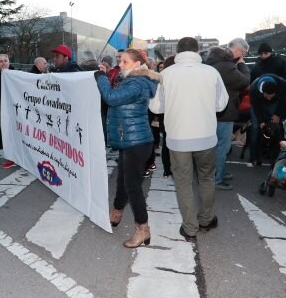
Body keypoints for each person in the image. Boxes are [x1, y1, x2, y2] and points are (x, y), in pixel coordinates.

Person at [150, 37, 229, 242]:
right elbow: (221, 104)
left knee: (183, 183)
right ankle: (206, 219)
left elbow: (156, 107)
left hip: (178, 138)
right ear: (197, 51)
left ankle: (190, 228)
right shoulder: (211, 72)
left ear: (177, 52)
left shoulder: (166, 74)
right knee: (206, 178)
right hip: (206, 137)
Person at [95, 48, 161, 248]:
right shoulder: (132, 80)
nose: (120, 65)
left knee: (132, 186)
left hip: (136, 141)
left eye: (124, 61)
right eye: (119, 61)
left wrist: (102, 77)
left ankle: (143, 229)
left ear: (136, 63)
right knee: (123, 179)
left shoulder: (138, 82)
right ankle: (116, 212)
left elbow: (112, 98)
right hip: (130, 139)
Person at [204, 39, 250, 190]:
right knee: (222, 146)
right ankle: (217, 179)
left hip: (212, 111)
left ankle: (221, 172)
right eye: (242, 53)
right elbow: (244, 81)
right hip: (225, 111)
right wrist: (242, 65)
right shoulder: (226, 66)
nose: (242, 55)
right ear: (237, 50)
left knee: (215, 145)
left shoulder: (212, 63)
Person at [249, 74, 286, 166]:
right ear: (263, 92)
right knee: (255, 128)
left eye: (271, 96)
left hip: (275, 103)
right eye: (267, 96)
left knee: (275, 127)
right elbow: (256, 107)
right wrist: (261, 121)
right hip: (257, 104)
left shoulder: (282, 84)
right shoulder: (254, 88)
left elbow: (284, 100)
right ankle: (253, 157)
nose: (269, 98)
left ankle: (275, 157)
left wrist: (277, 114)